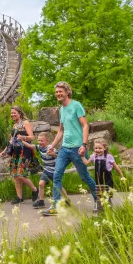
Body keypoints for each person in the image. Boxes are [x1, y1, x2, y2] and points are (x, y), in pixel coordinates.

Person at [42, 81, 97, 216]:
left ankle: (99, 200)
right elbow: (61, 131)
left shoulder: (76, 105)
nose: (58, 94)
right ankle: (56, 206)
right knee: (56, 176)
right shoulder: (61, 110)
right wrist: (52, 146)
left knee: (85, 177)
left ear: (67, 92)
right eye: (56, 92)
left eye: (60, 91)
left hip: (78, 148)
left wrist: (84, 145)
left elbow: (85, 126)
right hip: (65, 149)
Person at [0, 106, 39, 204]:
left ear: (19, 114)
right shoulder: (14, 126)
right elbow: (11, 140)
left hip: (25, 150)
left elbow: (31, 137)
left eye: (14, 113)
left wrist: (23, 137)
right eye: (11, 113)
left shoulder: (25, 123)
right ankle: (19, 197)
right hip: (15, 152)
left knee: (20, 174)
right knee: (15, 175)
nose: (12, 115)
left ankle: (34, 189)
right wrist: (5, 150)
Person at [20, 132, 68, 209]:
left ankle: (67, 200)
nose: (40, 142)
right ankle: (41, 201)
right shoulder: (39, 147)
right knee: (41, 184)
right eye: (38, 140)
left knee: (59, 187)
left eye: (42, 141)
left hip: (54, 170)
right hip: (46, 169)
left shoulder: (51, 148)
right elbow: (30, 146)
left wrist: (52, 154)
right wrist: (22, 140)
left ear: (47, 140)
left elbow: (59, 158)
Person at [80, 138, 124, 206]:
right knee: (99, 196)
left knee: (107, 196)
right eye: (96, 148)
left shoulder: (109, 157)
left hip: (107, 180)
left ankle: (109, 210)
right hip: (98, 180)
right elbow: (86, 163)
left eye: (100, 148)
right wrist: (82, 156)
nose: (97, 150)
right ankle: (100, 210)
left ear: (105, 148)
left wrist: (122, 176)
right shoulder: (93, 156)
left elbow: (116, 167)